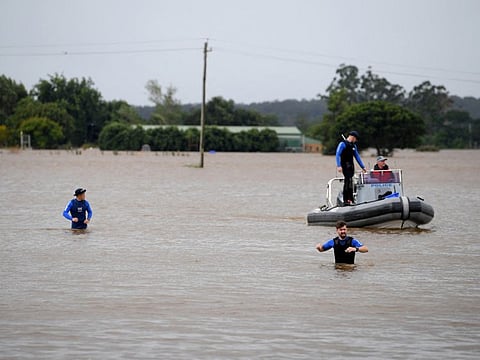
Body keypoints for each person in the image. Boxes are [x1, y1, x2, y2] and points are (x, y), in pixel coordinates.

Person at [335, 131, 367, 205]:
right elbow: (338, 155)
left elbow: (357, 156)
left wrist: (363, 167)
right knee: (347, 181)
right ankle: (346, 200)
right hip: (345, 166)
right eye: (356, 139)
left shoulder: (353, 146)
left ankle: (351, 199)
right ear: (352, 137)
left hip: (351, 167)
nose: (356, 141)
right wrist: (339, 165)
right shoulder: (343, 144)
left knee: (351, 182)